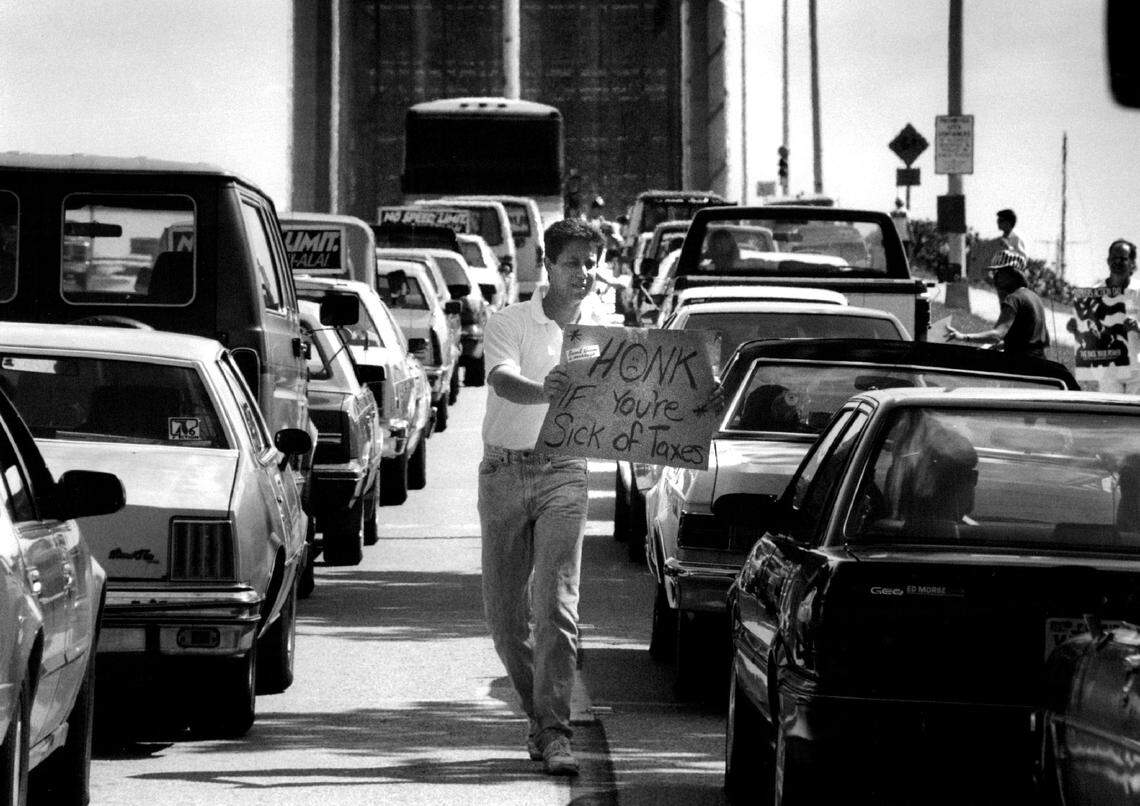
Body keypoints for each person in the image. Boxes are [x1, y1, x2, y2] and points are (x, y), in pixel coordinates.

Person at [478, 218, 604, 777]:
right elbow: (502, 379)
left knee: (556, 607)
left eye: (592, 263)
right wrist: (544, 390)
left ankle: (555, 733)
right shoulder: (509, 321)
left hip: (565, 475)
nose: (584, 273)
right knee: (507, 623)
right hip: (503, 473)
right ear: (548, 265)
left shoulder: (603, 333)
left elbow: (644, 392)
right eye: (573, 262)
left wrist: (695, 401)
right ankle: (540, 716)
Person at [946, 249, 1050, 358]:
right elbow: (1035, 339)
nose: (995, 277)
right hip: (1040, 361)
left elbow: (997, 335)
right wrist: (1004, 345)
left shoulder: (1014, 298)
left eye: (999, 272)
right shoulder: (1035, 297)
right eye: (994, 272)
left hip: (1019, 363)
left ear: (1013, 274)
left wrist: (963, 337)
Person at [1067, 239, 1140, 392]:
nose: (1117, 262)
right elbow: (1090, 336)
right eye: (1114, 258)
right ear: (1108, 260)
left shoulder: (1138, 291)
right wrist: (1075, 329)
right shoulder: (1094, 293)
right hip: (1109, 370)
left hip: (1136, 370)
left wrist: (1137, 327)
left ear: (1132, 263)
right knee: (1110, 407)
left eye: (1123, 258)